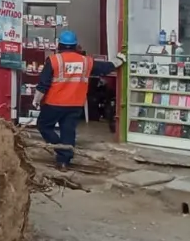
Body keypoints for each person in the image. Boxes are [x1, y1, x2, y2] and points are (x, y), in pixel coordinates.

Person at [32, 31, 126, 170]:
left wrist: (36, 100)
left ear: (60, 45)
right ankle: (64, 161)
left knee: (44, 126)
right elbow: (104, 68)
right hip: (75, 104)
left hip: (54, 103)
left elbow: (43, 84)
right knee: (68, 131)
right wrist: (119, 60)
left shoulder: (54, 60)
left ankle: (61, 151)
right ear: (75, 46)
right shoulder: (86, 61)